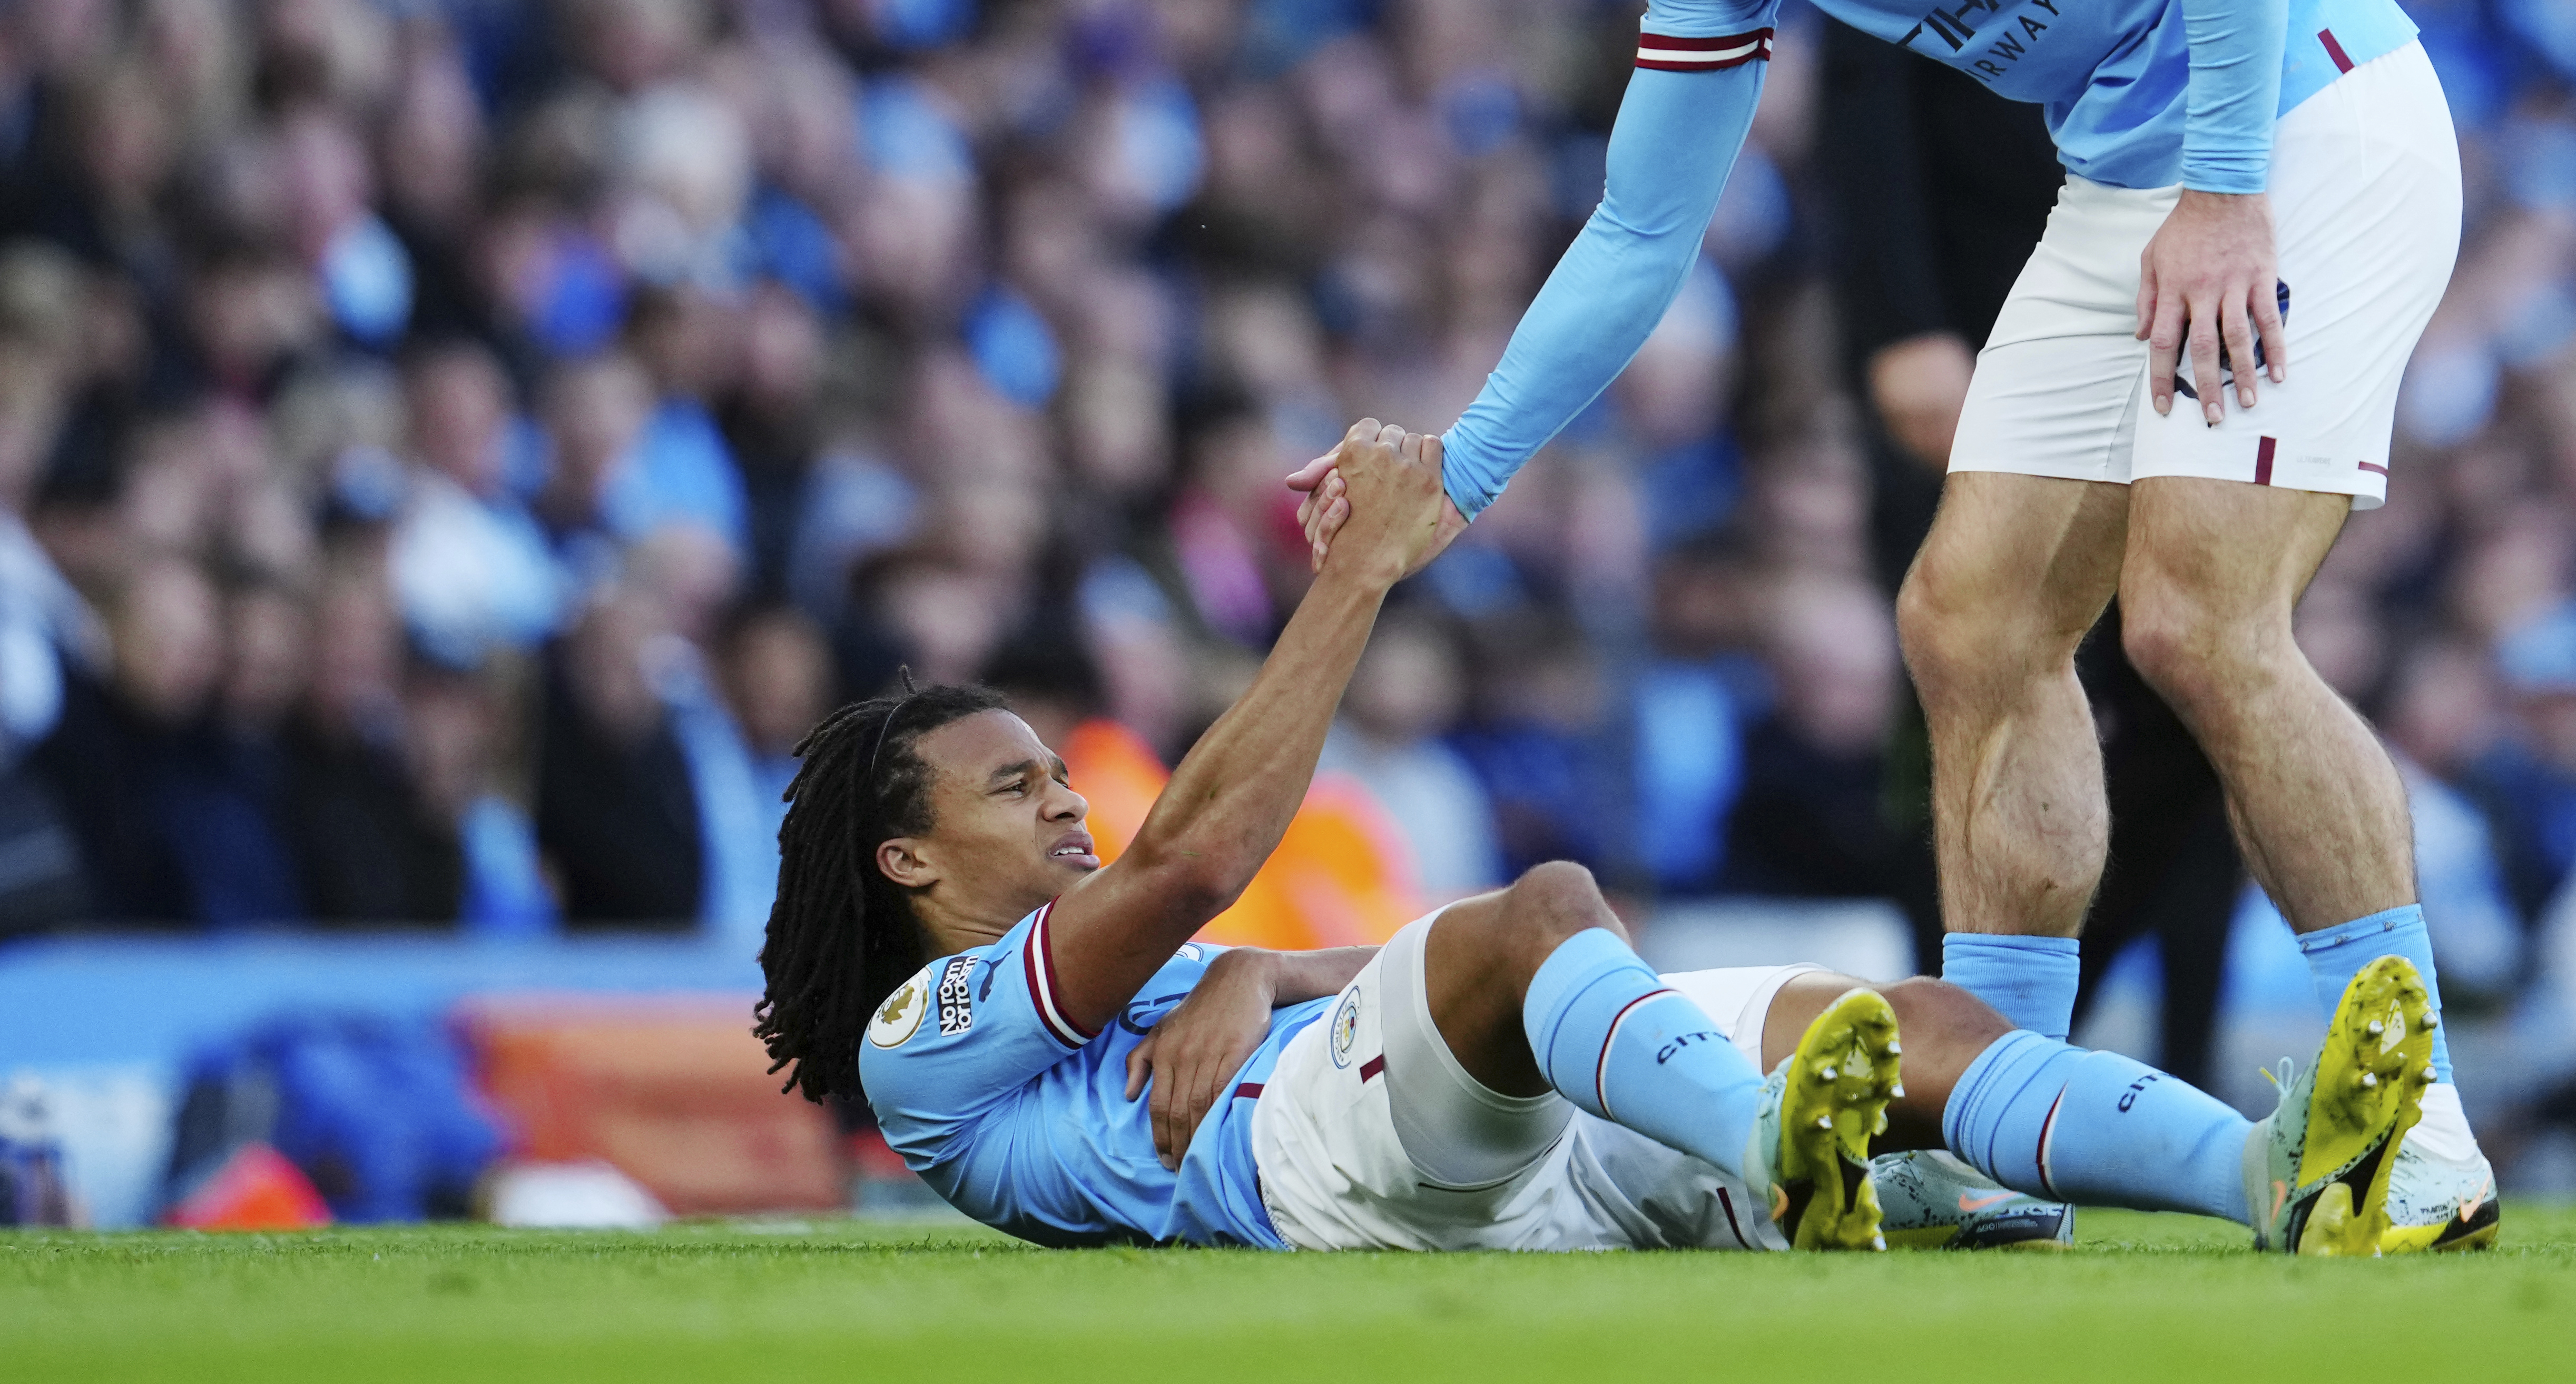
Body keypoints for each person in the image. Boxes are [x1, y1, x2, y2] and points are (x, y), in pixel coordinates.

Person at [1289, 0, 2496, 1250]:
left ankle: (2420, 1119)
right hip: (2139, 175)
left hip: (2304, 121)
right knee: (1969, 618)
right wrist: (1456, 479)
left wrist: (2226, 189)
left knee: (2191, 620)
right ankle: (1998, 1118)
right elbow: (1639, 235)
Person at [753, 422, 2439, 1257]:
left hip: (1505, 1166)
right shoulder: (923, 1040)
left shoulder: (1106, 991)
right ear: (903, 864)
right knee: (1541, 906)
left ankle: (2272, 1179)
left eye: (1054, 767)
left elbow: (1284, 945)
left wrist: (1258, 971)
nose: (1062, 797)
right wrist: (1356, 574)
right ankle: (1799, 1148)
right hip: (1315, 1178)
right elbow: (1186, 860)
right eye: (1009, 787)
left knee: (1921, 1025)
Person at [1819, 0, 2237, 1092]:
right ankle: (1957, 1063)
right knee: (1975, 687)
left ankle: (2164, 1077)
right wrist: (1899, 330)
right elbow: (1863, 101)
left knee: (2201, 689)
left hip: (2168, 331)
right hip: (1979, 337)